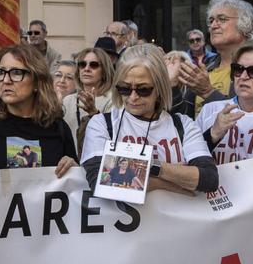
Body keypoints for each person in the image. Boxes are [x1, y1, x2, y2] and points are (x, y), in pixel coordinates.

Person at [81, 46, 218, 193]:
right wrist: (169, 182)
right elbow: (100, 180)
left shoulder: (183, 125)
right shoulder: (102, 123)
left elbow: (209, 178)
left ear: (159, 88)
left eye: (143, 89)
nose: (133, 97)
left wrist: (153, 166)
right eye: (124, 88)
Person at [0, 44, 77, 175]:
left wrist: (73, 169)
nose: (6, 80)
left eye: (16, 73)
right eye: (1, 72)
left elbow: (73, 181)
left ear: (37, 82)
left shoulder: (59, 129)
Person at [63, 46, 116, 152]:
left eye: (94, 65)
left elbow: (113, 136)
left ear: (104, 71)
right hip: (70, 160)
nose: (86, 69)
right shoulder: (67, 100)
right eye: (82, 64)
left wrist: (94, 113)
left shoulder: (113, 100)